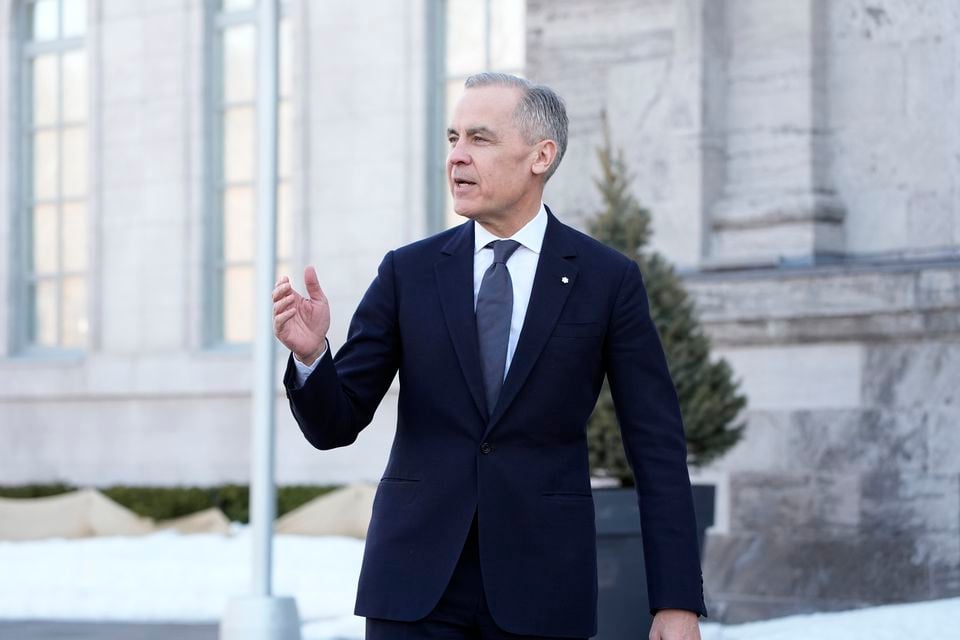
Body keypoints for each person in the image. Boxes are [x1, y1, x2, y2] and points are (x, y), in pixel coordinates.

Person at [273, 72, 705, 640]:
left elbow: (656, 445)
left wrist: (676, 601)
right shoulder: (408, 272)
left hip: (543, 587)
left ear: (541, 156)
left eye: (479, 138)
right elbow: (336, 423)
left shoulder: (608, 280)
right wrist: (313, 359)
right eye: (452, 138)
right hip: (414, 589)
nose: (457, 157)